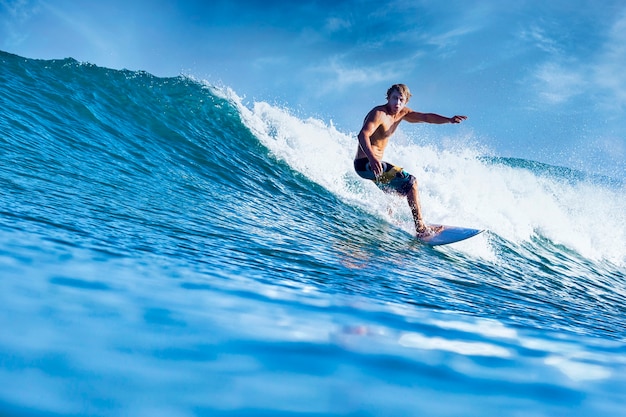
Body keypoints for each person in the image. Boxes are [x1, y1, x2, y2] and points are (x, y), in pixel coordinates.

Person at [354, 83, 467, 238]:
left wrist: (449, 120)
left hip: (375, 166)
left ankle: (387, 218)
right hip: (365, 164)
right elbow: (362, 135)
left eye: (401, 100)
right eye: (394, 98)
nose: (397, 103)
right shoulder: (378, 113)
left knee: (400, 191)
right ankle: (421, 229)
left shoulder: (402, 113)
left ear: (405, 102)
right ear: (388, 97)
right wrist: (372, 158)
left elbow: (426, 117)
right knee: (411, 182)